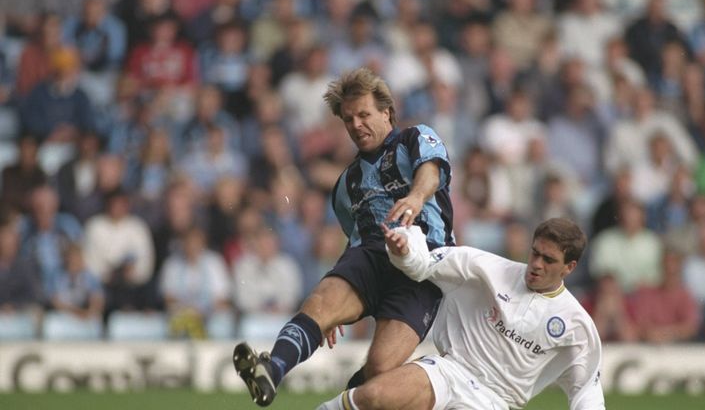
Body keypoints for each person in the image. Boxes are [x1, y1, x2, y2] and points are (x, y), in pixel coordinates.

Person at [233, 67, 454, 406]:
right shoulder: (346, 184)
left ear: (387, 112)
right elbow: (354, 240)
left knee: (381, 366)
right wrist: (337, 304)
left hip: (424, 264)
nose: (356, 125)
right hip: (372, 256)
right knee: (319, 304)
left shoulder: (414, 138)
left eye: (364, 115)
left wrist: (415, 197)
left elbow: (431, 173)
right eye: (348, 119)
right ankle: (271, 369)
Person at [317, 218, 604, 410]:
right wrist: (403, 250)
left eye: (549, 259)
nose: (537, 264)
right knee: (373, 395)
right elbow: (423, 264)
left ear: (570, 267)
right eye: (535, 253)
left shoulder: (576, 324)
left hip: (494, 401)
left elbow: (586, 390)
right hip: (449, 370)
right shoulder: (486, 268)